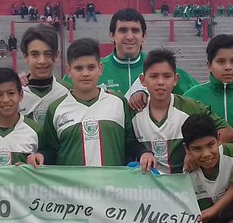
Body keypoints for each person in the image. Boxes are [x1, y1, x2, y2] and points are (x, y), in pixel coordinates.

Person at [38, 38, 150, 168]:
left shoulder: (118, 102)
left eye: (91, 67)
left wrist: (143, 153)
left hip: (112, 187)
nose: (85, 74)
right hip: (73, 188)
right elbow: (51, 150)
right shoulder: (55, 109)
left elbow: (129, 141)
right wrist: (41, 156)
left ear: (100, 68)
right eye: (78, 68)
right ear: (68, 71)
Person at [132, 50, 233, 175]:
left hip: (186, 188)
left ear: (175, 79)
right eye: (154, 76)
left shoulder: (190, 107)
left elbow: (228, 132)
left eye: (167, 76)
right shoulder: (133, 110)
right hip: (147, 191)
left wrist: (195, 152)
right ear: (143, 80)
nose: (160, 82)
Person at [83, 9, 198, 105]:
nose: (129, 37)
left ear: (143, 36)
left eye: (135, 30)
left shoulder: (161, 67)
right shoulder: (94, 69)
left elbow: (200, 96)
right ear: (112, 35)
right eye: (123, 30)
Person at [182, 114, 233, 223]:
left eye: (210, 145)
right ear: (186, 149)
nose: (206, 154)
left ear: (219, 139)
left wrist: (214, 210)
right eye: (197, 149)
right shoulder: (186, 174)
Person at [0, 68, 44, 168]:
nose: (5, 100)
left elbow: (46, 164)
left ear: (21, 95)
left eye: (11, 93)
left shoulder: (36, 129)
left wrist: (30, 166)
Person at [17, 24, 70, 125]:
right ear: (26, 57)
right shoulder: (13, 93)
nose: (42, 61)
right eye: (35, 54)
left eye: (48, 54)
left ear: (57, 55)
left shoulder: (68, 92)